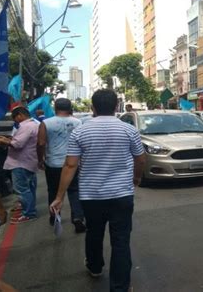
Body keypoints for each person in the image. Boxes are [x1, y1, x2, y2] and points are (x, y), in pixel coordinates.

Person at [50, 89, 146, 291]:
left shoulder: (80, 132)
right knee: (121, 240)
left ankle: (94, 267)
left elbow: (70, 166)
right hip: (122, 195)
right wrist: (136, 178)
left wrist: (59, 197)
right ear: (116, 107)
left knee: (94, 232)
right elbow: (140, 159)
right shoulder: (129, 130)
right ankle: (119, 287)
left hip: (91, 196)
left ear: (92, 108)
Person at [37, 98, 86, 232]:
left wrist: (40, 159)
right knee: (74, 190)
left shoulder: (46, 123)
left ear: (55, 108)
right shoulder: (78, 122)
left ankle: (54, 215)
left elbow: (41, 143)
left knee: (53, 190)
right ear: (70, 108)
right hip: (73, 162)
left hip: (53, 163)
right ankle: (77, 217)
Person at [0, 107, 39, 224]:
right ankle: (29, 210)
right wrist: (4, 139)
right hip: (28, 161)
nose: (15, 121)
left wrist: (2, 141)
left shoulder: (26, 126)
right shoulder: (33, 124)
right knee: (29, 188)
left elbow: (17, 144)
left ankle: (29, 213)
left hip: (21, 162)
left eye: (15, 118)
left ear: (20, 115)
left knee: (22, 189)